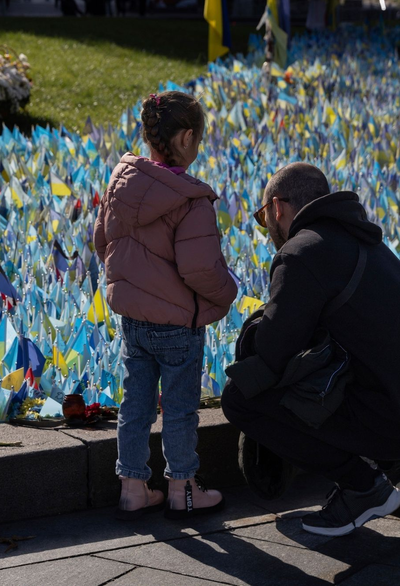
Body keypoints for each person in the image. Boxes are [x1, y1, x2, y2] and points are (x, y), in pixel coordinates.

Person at [221, 163, 400, 537]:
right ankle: (393, 465)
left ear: (277, 208)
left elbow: (273, 351)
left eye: (262, 216)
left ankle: (363, 487)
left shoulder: (300, 253)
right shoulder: (366, 240)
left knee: (239, 399)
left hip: (399, 421)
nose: (266, 226)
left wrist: (253, 329)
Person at [94, 92, 238, 521]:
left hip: (133, 321)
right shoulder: (190, 200)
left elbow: (102, 242)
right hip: (178, 327)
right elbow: (198, 269)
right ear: (187, 138)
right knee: (178, 409)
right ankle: (184, 489)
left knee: (134, 404)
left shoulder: (121, 184)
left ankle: (133, 488)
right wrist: (227, 290)